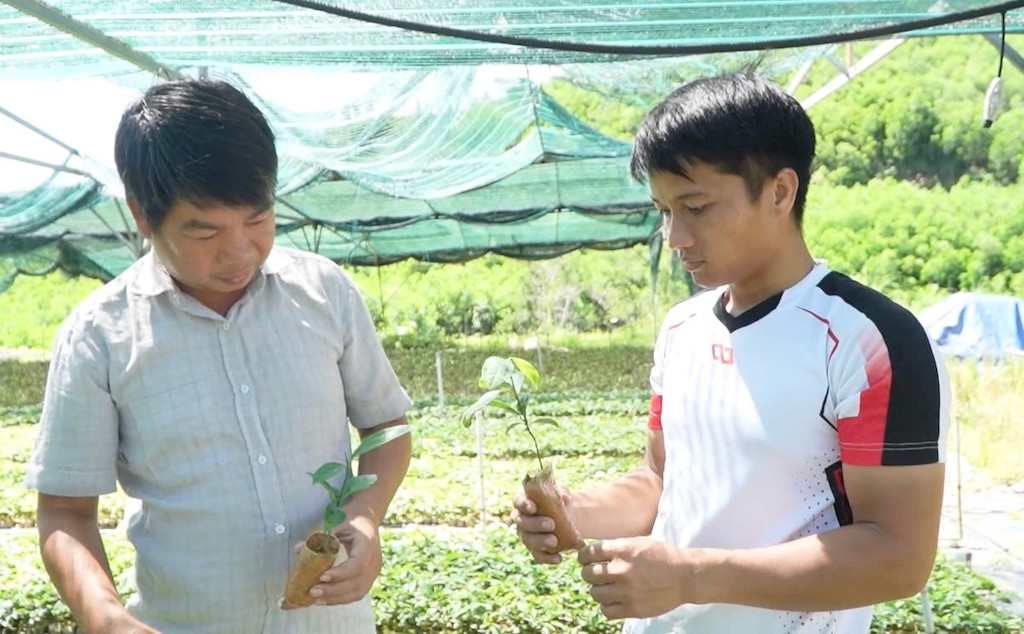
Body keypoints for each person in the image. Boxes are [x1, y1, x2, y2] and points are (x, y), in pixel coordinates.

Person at [512, 72, 950, 634]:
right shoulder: (682, 327)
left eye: (695, 206)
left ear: (779, 192)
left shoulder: (870, 342)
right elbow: (661, 482)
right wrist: (575, 513)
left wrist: (692, 576)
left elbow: (897, 556)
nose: (674, 237)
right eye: (664, 210)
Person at [24, 78, 413, 633]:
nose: (240, 251)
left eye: (257, 220)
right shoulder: (100, 336)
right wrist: (104, 616)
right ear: (142, 214)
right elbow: (64, 510)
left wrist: (365, 518)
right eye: (205, 231)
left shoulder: (325, 293)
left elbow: (387, 428)